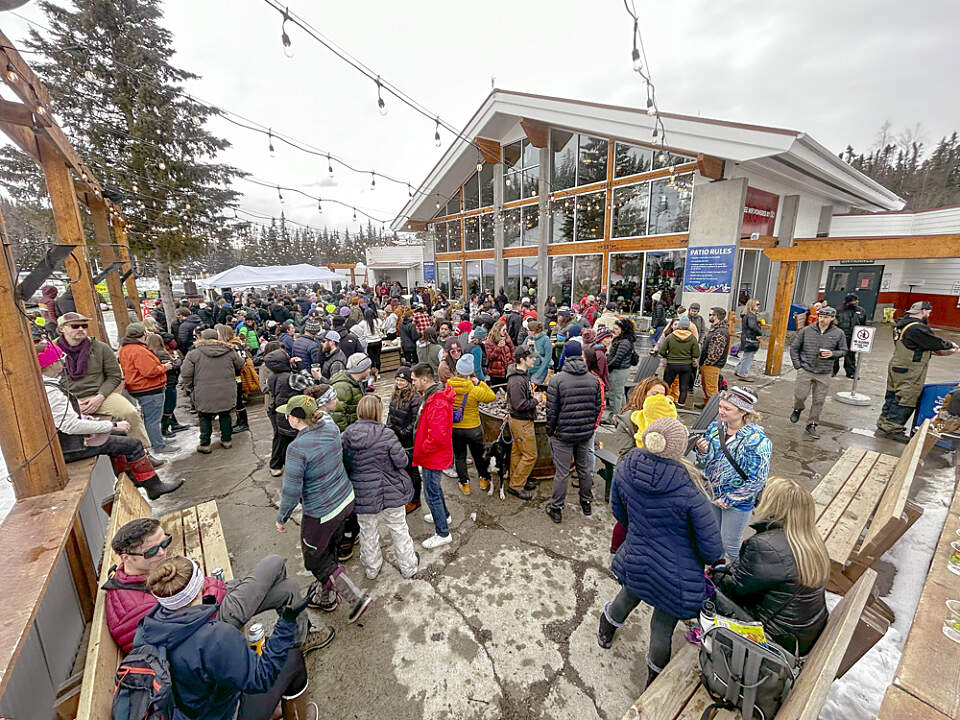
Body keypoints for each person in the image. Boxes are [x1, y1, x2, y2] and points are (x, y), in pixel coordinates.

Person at [597, 418, 724, 690]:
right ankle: (653, 681)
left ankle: (605, 631)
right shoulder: (691, 490)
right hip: (675, 573)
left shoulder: (625, 468)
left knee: (627, 597)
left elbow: (619, 513)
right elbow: (712, 549)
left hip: (637, 556)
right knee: (662, 629)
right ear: (679, 449)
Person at [104, 518, 333, 655]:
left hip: (207, 608)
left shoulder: (144, 573)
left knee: (289, 588)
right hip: (210, 624)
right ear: (126, 558)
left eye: (165, 542)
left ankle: (298, 642)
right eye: (153, 550)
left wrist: (210, 586)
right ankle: (295, 639)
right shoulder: (132, 608)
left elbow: (193, 589)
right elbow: (186, 623)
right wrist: (214, 588)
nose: (163, 552)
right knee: (274, 563)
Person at [136, 555, 313, 720]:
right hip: (222, 713)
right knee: (293, 659)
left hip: (184, 709)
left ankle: (274, 707)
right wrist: (285, 625)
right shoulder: (216, 636)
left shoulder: (147, 627)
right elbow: (261, 678)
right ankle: (298, 715)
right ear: (200, 587)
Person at [36, 341, 182, 500]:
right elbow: (70, 426)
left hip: (68, 443)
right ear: (51, 364)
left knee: (122, 439)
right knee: (133, 444)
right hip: (72, 447)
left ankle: (135, 480)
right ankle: (152, 486)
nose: (63, 362)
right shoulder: (51, 391)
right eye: (59, 359)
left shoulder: (47, 385)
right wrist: (112, 425)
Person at [275, 393, 372, 622]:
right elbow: (325, 414)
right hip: (345, 501)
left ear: (296, 419)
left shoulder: (297, 449)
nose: (286, 418)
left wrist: (282, 517)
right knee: (330, 552)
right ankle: (326, 597)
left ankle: (355, 598)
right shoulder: (329, 426)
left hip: (321, 514)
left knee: (315, 560)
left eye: (288, 415)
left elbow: (291, 491)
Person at [711, 477, 830, 656]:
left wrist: (715, 573)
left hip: (777, 640)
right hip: (802, 633)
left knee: (705, 586)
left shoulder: (765, 546)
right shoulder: (809, 541)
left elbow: (737, 590)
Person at [341, 395, 419, 579]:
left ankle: (372, 568)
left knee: (367, 530)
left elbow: (344, 463)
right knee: (399, 528)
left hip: (362, 491)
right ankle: (408, 567)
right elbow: (401, 461)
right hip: (391, 488)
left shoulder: (347, 435)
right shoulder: (387, 434)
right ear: (378, 412)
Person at [54, 312, 153, 456]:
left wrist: (100, 396)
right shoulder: (51, 350)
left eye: (84, 325)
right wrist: (73, 403)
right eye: (75, 326)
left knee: (130, 413)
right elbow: (46, 381)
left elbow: (114, 376)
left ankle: (143, 453)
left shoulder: (100, 347)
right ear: (62, 328)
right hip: (68, 398)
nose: (81, 329)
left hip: (100, 394)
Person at [695, 386, 772, 559]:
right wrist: (702, 451)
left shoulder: (757, 440)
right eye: (720, 406)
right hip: (713, 493)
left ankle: (740, 576)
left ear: (743, 411)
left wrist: (730, 499)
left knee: (730, 543)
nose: (721, 412)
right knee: (714, 539)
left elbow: (758, 479)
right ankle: (718, 573)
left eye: (727, 409)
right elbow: (706, 462)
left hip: (738, 501)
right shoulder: (715, 429)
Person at [876, 300, 959, 442]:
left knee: (892, 395)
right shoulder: (917, 328)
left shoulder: (902, 324)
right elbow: (934, 342)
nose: (929, 314)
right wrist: (950, 345)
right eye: (928, 312)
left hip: (897, 365)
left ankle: (883, 424)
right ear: (923, 311)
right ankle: (893, 429)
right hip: (910, 370)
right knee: (906, 399)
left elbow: (917, 346)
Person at [545, 341, 603, 523]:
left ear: (566, 356)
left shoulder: (557, 380)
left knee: (562, 472)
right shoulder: (593, 379)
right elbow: (597, 407)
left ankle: (556, 508)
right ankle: (586, 502)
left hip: (563, 434)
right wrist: (589, 428)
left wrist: (550, 431)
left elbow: (551, 411)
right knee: (584, 468)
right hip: (584, 434)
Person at [411, 363, 456, 549]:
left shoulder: (437, 402)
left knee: (431, 493)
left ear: (424, 379)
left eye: (414, 380)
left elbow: (437, 435)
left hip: (432, 456)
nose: (412, 384)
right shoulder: (431, 396)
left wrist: (423, 450)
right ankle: (444, 515)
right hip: (432, 455)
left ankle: (442, 532)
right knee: (434, 490)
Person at [180, 328, 244, 454]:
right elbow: (240, 364)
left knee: (205, 416)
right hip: (227, 389)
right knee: (225, 415)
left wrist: (190, 387)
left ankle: (205, 444)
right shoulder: (229, 351)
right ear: (217, 338)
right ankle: (227, 440)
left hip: (203, 391)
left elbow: (185, 373)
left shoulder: (194, 353)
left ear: (202, 338)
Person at [789, 305, 847, 439]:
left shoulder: (838, 333)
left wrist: (832, 353)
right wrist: (798, 366)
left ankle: (812, 424)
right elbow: (794, 348)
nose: (822, 319)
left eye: (826, 317)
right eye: (820, 316)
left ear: (832, 318)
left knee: (819, 400)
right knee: (800, 395)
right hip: (806, 369)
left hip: (824, 371)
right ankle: (798, 408)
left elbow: (844, 350)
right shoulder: (806, 330)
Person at [117, 323, 174, 455]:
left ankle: (157, 440)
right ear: (142, 335)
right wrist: (165, 367)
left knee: (150, 419)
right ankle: (159, 445)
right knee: (153, 419)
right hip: (149, 389)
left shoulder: (125, 348)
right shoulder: (138, 350)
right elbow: (149, 371)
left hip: (138, 387)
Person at [448, 353, 495, 496]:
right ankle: (483, 480)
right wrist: (479, 382)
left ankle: (465, 484)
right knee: (479, 456)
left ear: (457, 371)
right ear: (470, 372)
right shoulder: (474, 390)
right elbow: (491, 396)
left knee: (460, 457)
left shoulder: (448, 386)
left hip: (455, 428)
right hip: (473, 428)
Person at [506, 346, 542, 500]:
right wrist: (536, 401)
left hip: (518, 421)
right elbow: (519, 404)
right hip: (521, 422)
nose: (534, 359)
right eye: (531, 357)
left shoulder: (522, 375)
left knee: (518, 452)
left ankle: (517, 479)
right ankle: (516, 485)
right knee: (530, 455)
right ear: (522, 360)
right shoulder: (517, 380)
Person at [387, 366, 423, 514]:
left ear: (409, 382)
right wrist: (388, 428)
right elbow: (390, 413)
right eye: (397, 380)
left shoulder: (415, 398)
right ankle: (406, 492)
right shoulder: (395, 394)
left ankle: (415, 499)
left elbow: (416, 421)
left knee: (412, 470)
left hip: (409, 441)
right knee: (401, 469)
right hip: (396, 438)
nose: (399, 383)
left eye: (402, 380)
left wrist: (403, 432)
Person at [147, 333, 190, 437]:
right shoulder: (161, 353)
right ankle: (164, 429)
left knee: (167, 404)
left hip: (161, 383)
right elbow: (170, 367)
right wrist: (178, 361)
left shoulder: (150, 353)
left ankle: (174, 424)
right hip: (169, 382)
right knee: (169, 405)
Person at [659, 315, 699, 406]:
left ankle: (663, 402)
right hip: (686, 366)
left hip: (671, 365)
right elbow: (696, 354)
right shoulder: (692, 338)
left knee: (666, 384)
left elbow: (662, 351)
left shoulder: (670, 336)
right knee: (683, 386)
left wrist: (669, 356)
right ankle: (681, 404)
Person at [329, 353, 371, 431]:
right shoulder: (342, 386)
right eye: (368, 367)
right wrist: (347, 436)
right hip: (350, 434)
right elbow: (337, 415)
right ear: (361, 368)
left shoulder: (356, 382)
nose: (369, 370)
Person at [697, 307, 730, 408]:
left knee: (711, 388)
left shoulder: (720, 332)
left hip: (712, 365)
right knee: (706, 386)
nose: (709, 316)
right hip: (708, 364)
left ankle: (712, 408)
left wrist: (707, 362)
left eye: (711, 315)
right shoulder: (715, 329)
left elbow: (716, 352)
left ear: (716, 316)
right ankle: (707, 404)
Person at [606, 318, 636, 416]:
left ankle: (615, 416)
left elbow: (617, 359)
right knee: (620, 393)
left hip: (619, 371)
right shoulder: (623, 340)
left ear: (623, 329)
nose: (614, 331)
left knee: (615, 394)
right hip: (621, 369)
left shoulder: (624, 342)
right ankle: (622, 414)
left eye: (616, 329)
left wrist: (607, 367)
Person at [736, 298, 762, 381]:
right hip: (750, 338)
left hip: (746, 337)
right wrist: (759, 332)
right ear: (752, 305)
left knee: (746, 356)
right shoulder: (751, 315)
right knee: (748, 356)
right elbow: (752, 326)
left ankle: (739, 370)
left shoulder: (746, 314)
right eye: (757, 304)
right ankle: (743, 374)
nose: (758, 306)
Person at [484, 320, 514, 388]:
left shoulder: (507, 338)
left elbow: (512, 351)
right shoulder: (490, 341)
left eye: (506, 329)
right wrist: (498, 348)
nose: (505, 332)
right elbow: (490, 357)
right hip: (496, 372)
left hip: (508, 370)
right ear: (498, 330)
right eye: (503, 330)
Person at [526, 320, 552, 386]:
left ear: (533, 331)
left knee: (534, 387)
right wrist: (527, 346)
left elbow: (547, 358)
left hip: (539, 370)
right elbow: (521, 351)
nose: (527, 332)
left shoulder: (545, 339)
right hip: (528, 369)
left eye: (528, 330)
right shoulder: (528, 338)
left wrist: (539, 373)